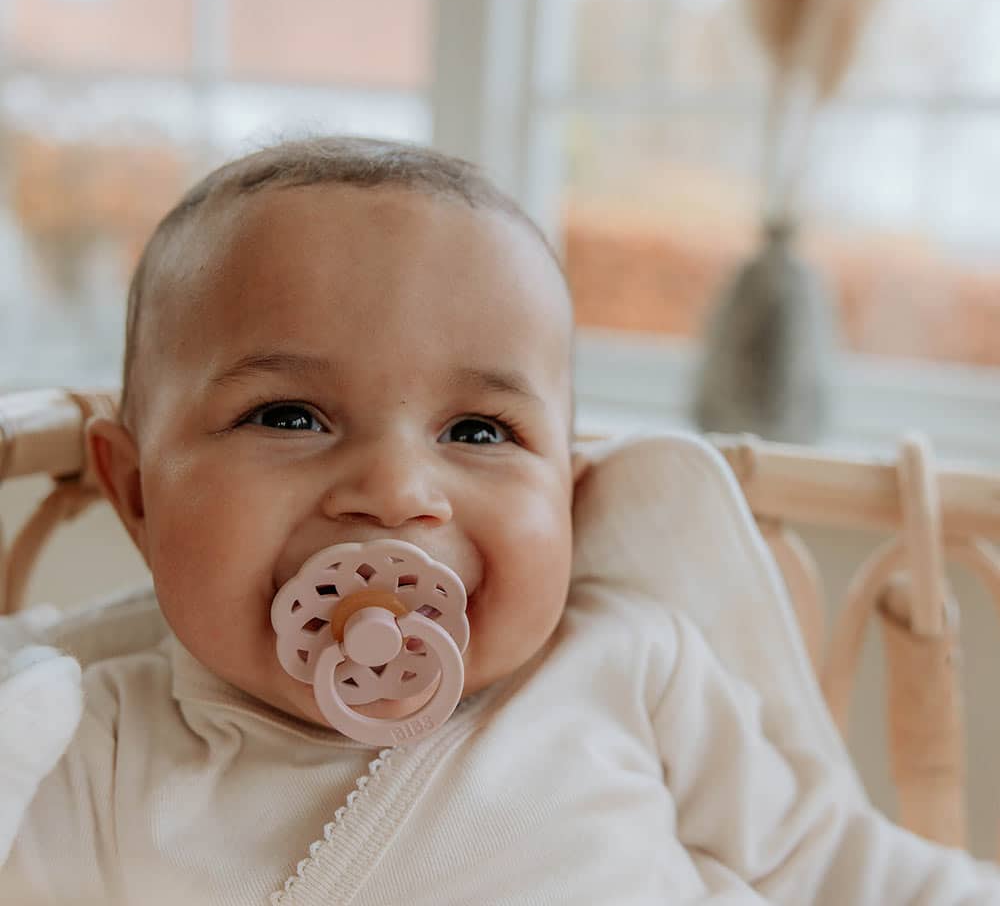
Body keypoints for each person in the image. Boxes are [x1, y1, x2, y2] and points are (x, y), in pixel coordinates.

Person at [3, 136, 999, 905]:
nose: (395, 490)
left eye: (478, 430)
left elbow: (837, 867)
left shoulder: (628, 664)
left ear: (566, 493)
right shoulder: (89, 750)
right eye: (290, 416)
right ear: (136, 493)